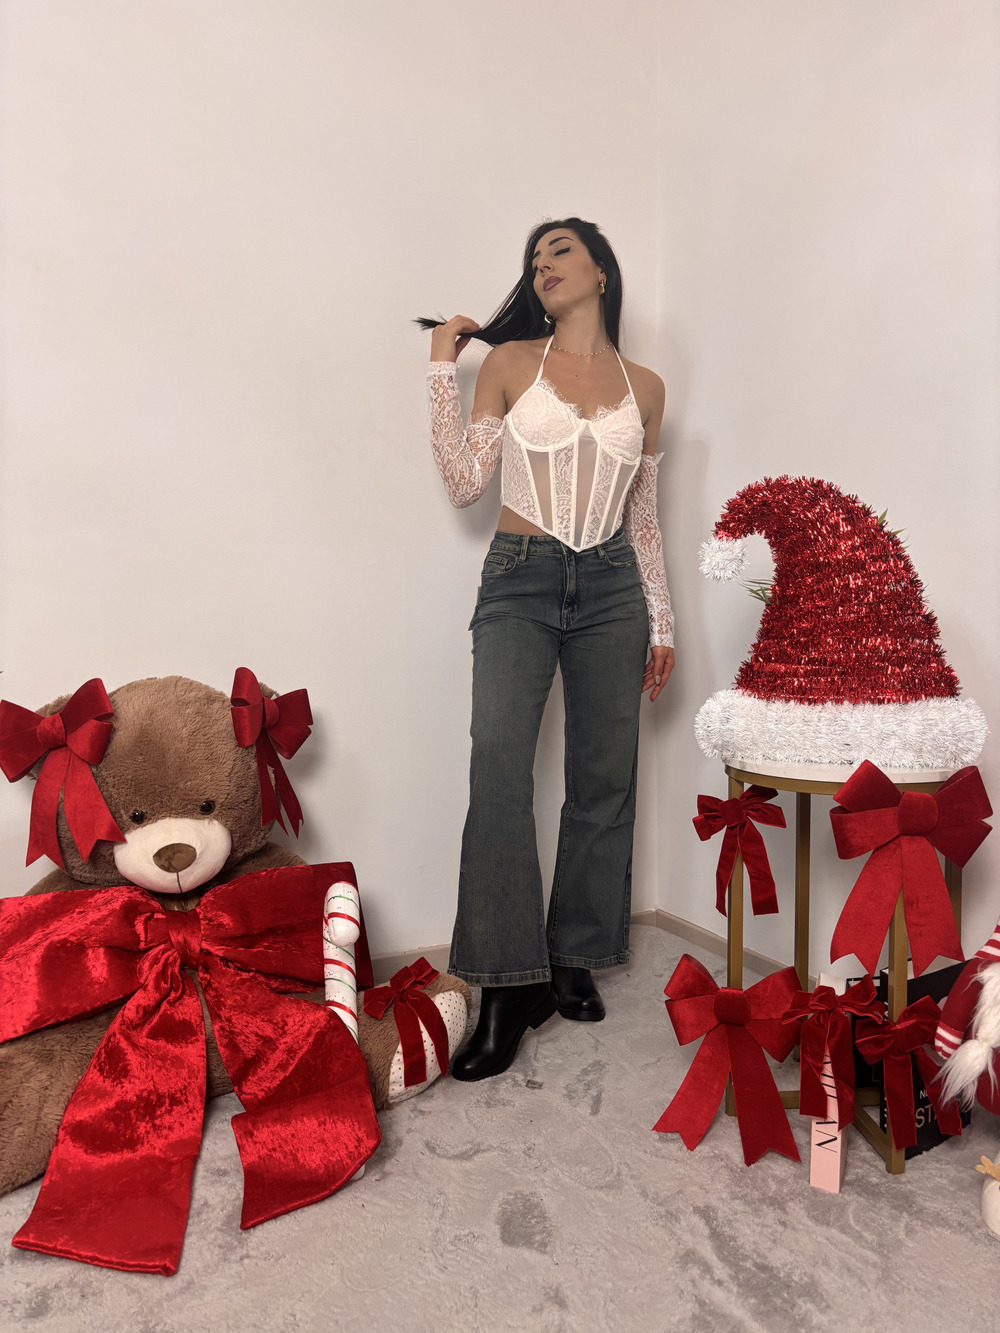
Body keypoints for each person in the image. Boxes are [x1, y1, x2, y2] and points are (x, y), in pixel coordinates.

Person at [421, 217, 674, 1081]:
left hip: (612, 588)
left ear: (601, 270)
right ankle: (505, 983)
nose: (543, 266)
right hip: (520, 578)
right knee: (498, 770)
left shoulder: (647, 387)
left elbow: (644, 519)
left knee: (604, 779)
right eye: (534, 259)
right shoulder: (508, 363)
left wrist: (662, 621)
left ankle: (573, 957)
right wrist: (440, 371)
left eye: (559, 251)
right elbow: (465, 484)